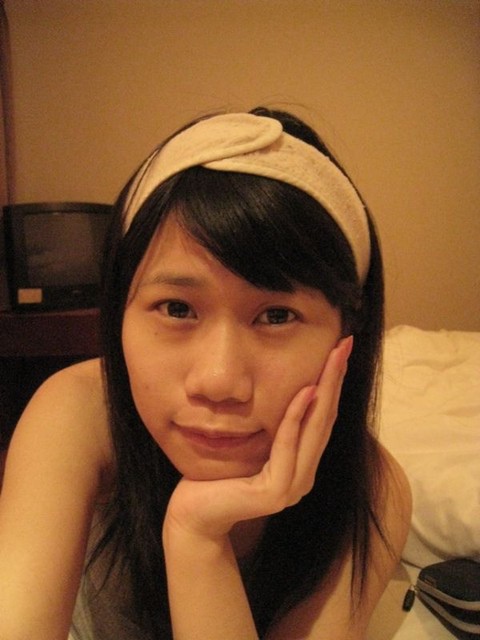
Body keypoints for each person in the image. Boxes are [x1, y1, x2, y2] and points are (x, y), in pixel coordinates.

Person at [0, 107, 411, 640]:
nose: (218, 381)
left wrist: (198, 537)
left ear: (346, 332)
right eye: (177, 308)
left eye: (277, 316)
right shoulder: (76, 414)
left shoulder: (371, 490)